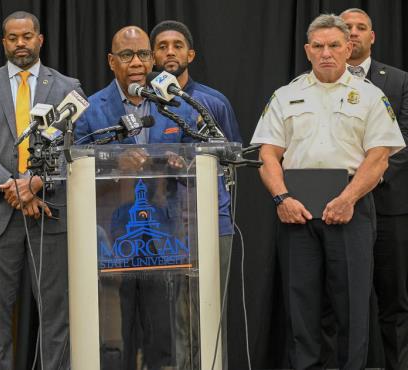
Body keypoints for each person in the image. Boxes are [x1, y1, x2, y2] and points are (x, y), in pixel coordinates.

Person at [251, 14, 405, 370]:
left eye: (334, 45)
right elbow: (268, 155)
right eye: (318, 46)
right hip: (296, 210)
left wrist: (348, 198)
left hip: (351, 209)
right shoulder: (285, 96)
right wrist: (281, 199)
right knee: (300, 305)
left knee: (351, 305)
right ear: (307, 50)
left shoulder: (369, 95)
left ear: (348, 47)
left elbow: (379, 157)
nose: (326, 53)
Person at [0, 11, 82, 370]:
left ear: (40, 39)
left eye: (27, 36)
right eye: (13, 37)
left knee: (58, 316)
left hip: (52, 211)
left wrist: (36, 182)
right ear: (4, 43)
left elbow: (74, 146)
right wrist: (13, 187)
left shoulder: (67, 87)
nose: (21, 43)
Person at [75, 25, 196, 370]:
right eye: (127, 55)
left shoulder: (172, 102)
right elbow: (78, 156)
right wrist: (114, 159)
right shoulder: (92, 107)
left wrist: (178, 161)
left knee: (162, 328)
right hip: (112, 231)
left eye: (144, 54)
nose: (138, 62)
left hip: (165, 230)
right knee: (117, 330)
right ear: (112, 61)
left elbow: (192, 152)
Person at [150, 20, 243, 369]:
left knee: (210, 310)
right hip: (163, 224)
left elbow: (234, 155)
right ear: (153, 55)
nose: (170, 51)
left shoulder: (212, 102)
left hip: (212, 221)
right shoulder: (146, 105)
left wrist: (197, 159)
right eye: (162, 46)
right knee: (176, 314)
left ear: (190, 54)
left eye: (177, 45)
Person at [340, 8, 408, 370]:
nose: (352, 33)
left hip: (388, 205)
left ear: (372, 36)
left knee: (393, 299)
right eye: (346, 27)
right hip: (336, 206)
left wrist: (367, 179)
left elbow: (405, 143)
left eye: (360, 27)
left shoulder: (398, 81)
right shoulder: (318, 82)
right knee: (342, 297)